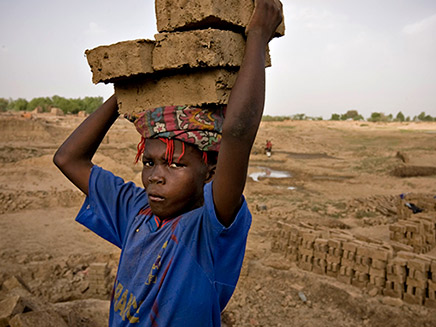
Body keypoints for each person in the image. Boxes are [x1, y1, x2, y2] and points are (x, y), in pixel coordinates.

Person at [53, 0, 283, 325]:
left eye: (175, 165)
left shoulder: (209, 229)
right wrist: (128, 90)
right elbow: (67, 158)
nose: (154, 178)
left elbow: (238, 133)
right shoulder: (136, 212)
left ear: (210, 173)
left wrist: (258, 35)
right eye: (149, 162)